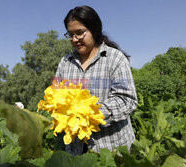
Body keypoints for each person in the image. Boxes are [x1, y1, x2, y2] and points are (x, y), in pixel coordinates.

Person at [54, 5, 137, 155]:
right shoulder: (65, 62)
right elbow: (56, 95)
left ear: (94, 29)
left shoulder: (115, 58)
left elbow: (126, 100)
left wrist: (89, 114)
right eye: (70, 35)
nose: (75, 39)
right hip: (76, 150)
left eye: (80, 33)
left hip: (112, 149)